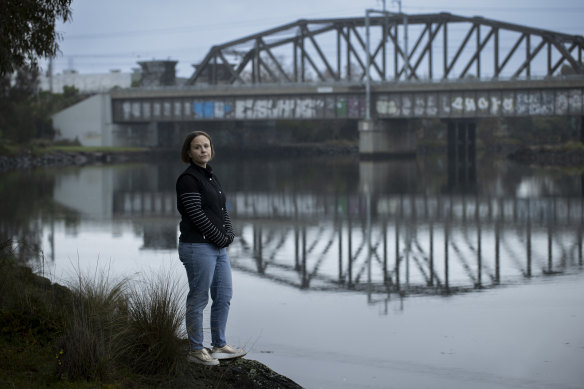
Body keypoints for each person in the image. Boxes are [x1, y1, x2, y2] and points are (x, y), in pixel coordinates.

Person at [176, 130, 246, 366]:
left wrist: (229, 234)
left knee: (224, 295)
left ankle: (219, 345)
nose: (203, 150)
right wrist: (219, 237)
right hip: (197, 246)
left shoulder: (211, 178)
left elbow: (222, 210)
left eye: (206, 146)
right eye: (197, 147)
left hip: (217, 247)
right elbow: (196, 215)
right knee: (198, 298)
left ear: (211, 150)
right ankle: (196, 350)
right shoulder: (188, 179)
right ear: (189, 152)